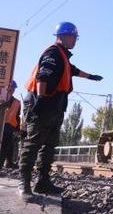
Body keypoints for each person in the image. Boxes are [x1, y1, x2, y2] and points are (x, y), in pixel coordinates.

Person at [18, 22, 103, 202]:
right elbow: (42, 76)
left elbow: (73, 70)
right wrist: (41, 99)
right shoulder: (53, 53)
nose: (75, 40)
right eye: (73, 37)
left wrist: (91, 77)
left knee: (49, 145)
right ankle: (24, 184)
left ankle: (43, 182)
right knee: (33, 143)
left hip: (54, 105)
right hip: (41, 102)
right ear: (62, 36)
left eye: (76, 37)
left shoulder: (62, 55)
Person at [0, 80, 21, 169]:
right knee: (4, 145)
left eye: (13, 88)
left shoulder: (17, 102)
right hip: (1, 125)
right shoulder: (1, 99)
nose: (12, 89)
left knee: (9, 145)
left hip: (10, 127)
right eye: (10, 87)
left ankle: (8, 163)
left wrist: (18, 129)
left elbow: (17, 116)